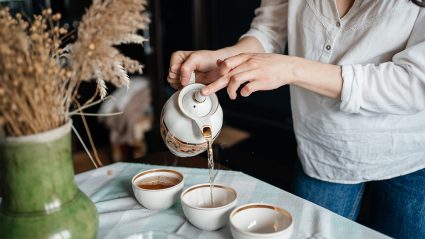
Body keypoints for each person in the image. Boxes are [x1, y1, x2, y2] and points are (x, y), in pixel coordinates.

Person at [167, 1, 425, 238]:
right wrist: (224, 59)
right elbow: (269, 30)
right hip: (324, 147)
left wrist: (292, 69)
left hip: (408, 153)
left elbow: (416, 82)